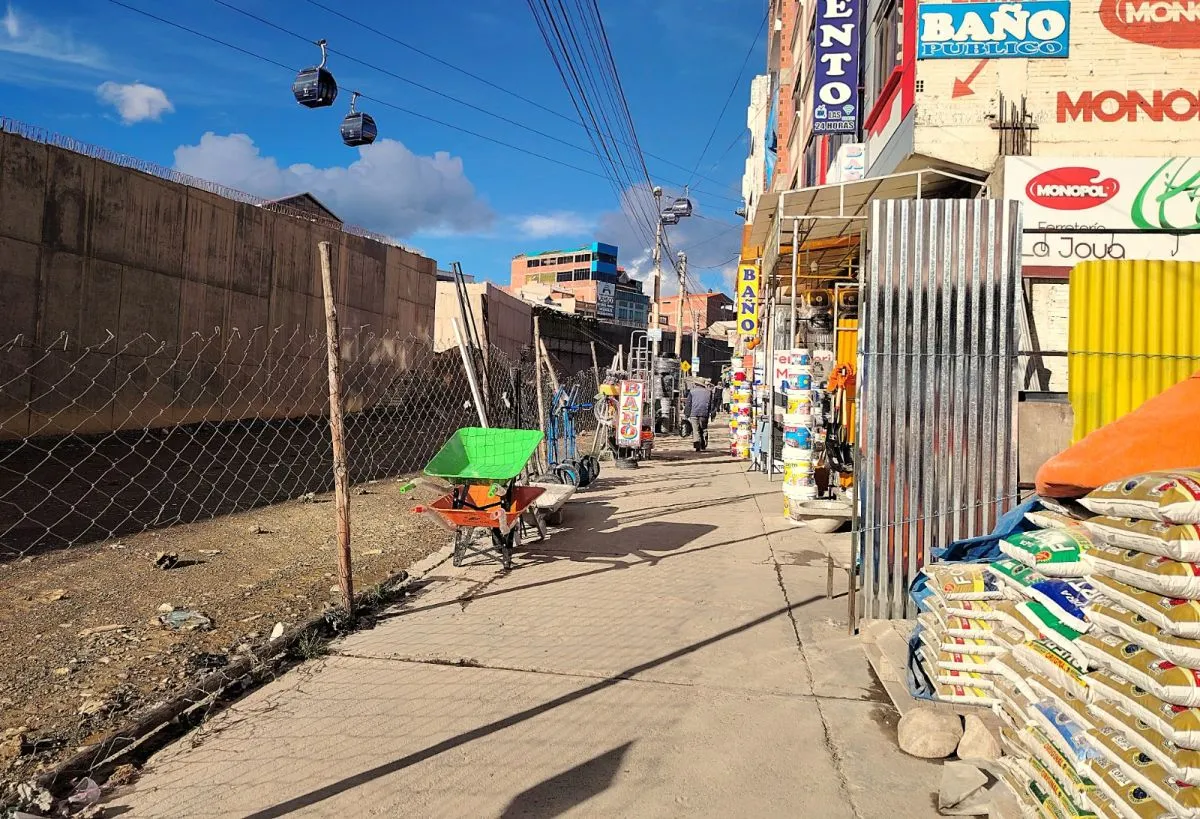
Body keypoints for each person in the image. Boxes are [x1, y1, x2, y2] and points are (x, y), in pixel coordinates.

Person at [683, 379, 713, 451]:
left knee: (695, 430)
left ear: (696, 384)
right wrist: (711, 413)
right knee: (704, 428)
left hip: (694, 413)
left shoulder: (692, 391)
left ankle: (697, 445)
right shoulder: (709, 392)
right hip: (704, 413)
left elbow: (688, 403)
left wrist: (686, 414)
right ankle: (704, 443)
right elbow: (711, 404)